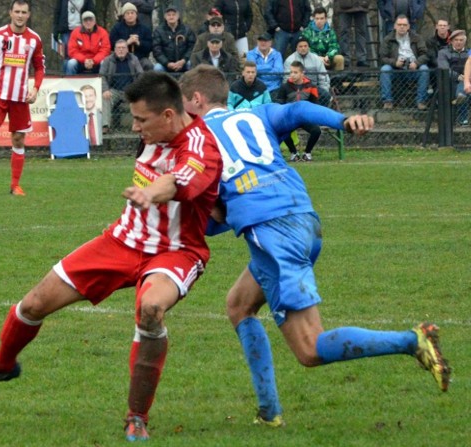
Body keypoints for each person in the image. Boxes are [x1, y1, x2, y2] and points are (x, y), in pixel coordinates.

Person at [179, 64, 451, 428]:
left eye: (183, 105)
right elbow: (299, 110)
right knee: (239, 305)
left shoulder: (198, 140)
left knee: (309, 349)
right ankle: (269, 412)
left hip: (274, 234)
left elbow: (213, 213)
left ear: (196, 100)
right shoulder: (254, 116)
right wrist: (344, 120)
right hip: (304, 219)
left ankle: (412, 340)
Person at [0, 71, 223, 443]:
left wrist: (153, 194)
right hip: (121, 241)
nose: (134, 128)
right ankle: (1, 366)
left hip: (175, 252)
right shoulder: (153, 134)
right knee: (34, 303)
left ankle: (136, 415)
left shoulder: (201, 146)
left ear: (168, 116)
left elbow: (181, 180)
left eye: (141, 120)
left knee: (151, 309)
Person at [0, 0, 45, 197]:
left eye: (24, 12)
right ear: (10, 13)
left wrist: (36, 89)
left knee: (19, 140)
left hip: (20, 97)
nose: (20, 15)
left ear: (28, 15)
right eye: (17, 11)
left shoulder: (34, 40)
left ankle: (15, 185)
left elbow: (39, 67)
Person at [379, 15, 429, 110]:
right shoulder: (388, 39)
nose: (402, 27)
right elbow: (382, 57)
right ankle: (387, 101)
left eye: (404, 25)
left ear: (408, 26)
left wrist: (416, 63)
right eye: (399, 24)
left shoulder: (417, 38)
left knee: (424, 69)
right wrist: (395, 63)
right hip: (395, 70)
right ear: (395, 26)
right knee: (385, 69)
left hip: (414, 69)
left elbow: (425, 54)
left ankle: (421, 101)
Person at [276, 61, 321, 161]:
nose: (292, 75)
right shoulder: (284, 86)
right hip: (291, 118)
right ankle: (294, 153)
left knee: (316, 131)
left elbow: (315, 104)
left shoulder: (311, 86)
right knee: (282, 131)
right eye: (291, 72)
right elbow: (280, 104)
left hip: (305, 118)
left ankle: (307, 153)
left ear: (302, 73)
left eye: (295, 72)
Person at [100, 39, 143, 132]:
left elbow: (140, 74)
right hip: (113, 90)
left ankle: (138, 126)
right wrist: (105, 90)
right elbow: (101, 75)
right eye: (118, 48)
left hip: (130, 90)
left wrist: (137, 89)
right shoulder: (108, 60)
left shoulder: (133, 59)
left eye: (123, 48)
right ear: (114, 49)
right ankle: (105, 125)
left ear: (127, 49)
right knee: (104, 98)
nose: (121, 50)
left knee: (141, 99)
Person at [283, 37, 332, 106]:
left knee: (325, 95)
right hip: (295, 88)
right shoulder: (290, 60)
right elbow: (286, 78)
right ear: (296, 48)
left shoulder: (316, 58)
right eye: (300, 46)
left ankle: (318, 113)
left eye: (305, 46)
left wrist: (324, 89)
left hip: (314, 87)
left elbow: (323, 76)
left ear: (308, 47)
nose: (303, 48)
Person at [151, 4, 195, 73]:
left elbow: (192, 48)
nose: (171, 17)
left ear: (178, 16)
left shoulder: (187, 30)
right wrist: (167, 63)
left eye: (173, 14)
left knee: (191, 64)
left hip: (184, 63)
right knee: (157, 68)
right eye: (169, 15)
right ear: (165, 17)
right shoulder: (158, 31)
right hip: (166, 65)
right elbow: (157, 51)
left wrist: (183, 61)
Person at [437, 29, 469, 125]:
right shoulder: (443, 52)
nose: (458, 42)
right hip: (449, 82)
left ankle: (460, 98)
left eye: (461, 40)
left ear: (465, 41)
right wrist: (457, 76)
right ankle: (463, 119)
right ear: (451, 41)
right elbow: (444, 68)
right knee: (462, 88)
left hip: (467, 81)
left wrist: (467, 77)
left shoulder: (469, 53)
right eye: (456, 40)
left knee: (463, 88)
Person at [109, 2, 153, 71]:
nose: (130, 15)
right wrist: (126, 43)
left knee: (148, 64)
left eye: (132, 13)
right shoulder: (117, 28)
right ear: (124, 16)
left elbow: (150, 46)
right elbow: (111, 45)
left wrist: (139, 43)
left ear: (136, 15)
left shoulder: (144, 29)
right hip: (121, 59)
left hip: (140, 58)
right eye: (128, 13)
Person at [65, 11, 111, 75]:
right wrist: (84, 60)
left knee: (104, 63)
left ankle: (104, 84)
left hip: (97, 61)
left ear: (95, 22)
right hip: (80, 61)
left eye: (90, 20)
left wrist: (94, 61)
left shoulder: (103, 33)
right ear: (82, 22)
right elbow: (72, 51)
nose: (88, 22)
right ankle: (69, 84)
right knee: (71, 63)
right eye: (86, 20)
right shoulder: (75, 33)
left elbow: (105, 50)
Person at [302, 6, 344, 71]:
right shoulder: (307, 31)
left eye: (322, 18)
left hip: (327, 59)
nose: (319, 21)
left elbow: (334, 47)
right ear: (313, 18)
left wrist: (328, 56)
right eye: (317, 18)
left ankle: (337, 79)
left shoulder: (330, 31)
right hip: (312, 59)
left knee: (339, 58)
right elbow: (304, 48)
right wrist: (317, 58)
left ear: (326, 19)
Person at [246, 33, 284, 100]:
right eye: (260, 41)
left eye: (265, 41)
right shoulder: (250, 54)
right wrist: (269, 67)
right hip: (257, 87)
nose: (263, 43)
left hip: (274, 88)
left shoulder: (277, 54)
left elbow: (279, 72)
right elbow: (252, 69)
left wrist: (259, 72)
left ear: (270, 43)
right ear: (257, 42)